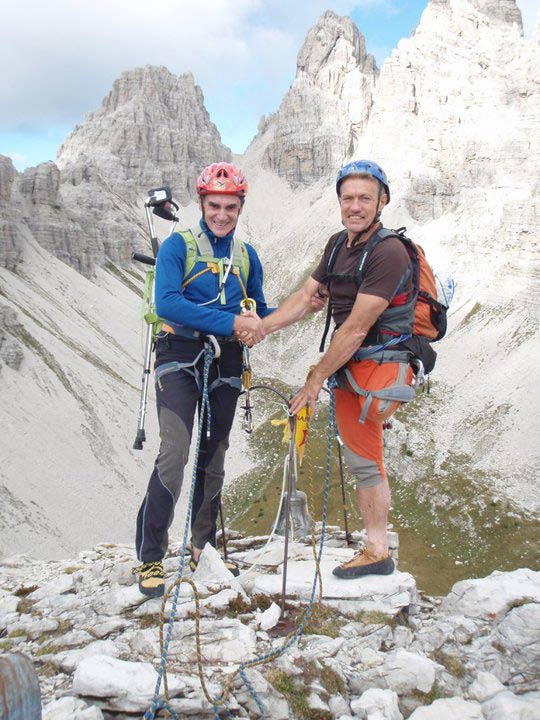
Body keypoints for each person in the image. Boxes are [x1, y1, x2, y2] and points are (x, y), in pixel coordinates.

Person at [259, 159, 416, 579]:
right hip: (352, 367)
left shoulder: (388, 251)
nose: (355, 206)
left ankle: (378, 549)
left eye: (365, 198)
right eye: (348, 198)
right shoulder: (336, 246)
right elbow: (304, 296)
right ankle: (375, 546)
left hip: (379, 366)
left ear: (382, 201)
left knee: (367, 459)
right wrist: (262, 327)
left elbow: (355, 328)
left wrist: (315, 379)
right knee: (361, 458)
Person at [133, 162, 272, 597]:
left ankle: (202, 546)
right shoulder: (178, 247)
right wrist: (232, 322)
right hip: (179, 354)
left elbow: (261, 309)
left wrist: (265, 319)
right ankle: (151, 557)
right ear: (202, 203)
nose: (222, 214)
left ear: (240, 206)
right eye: (215, 205)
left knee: (215, 454)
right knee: (175, 451)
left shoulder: (247, 257)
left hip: (227, 359)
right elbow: (169, 303)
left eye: (231, 207)